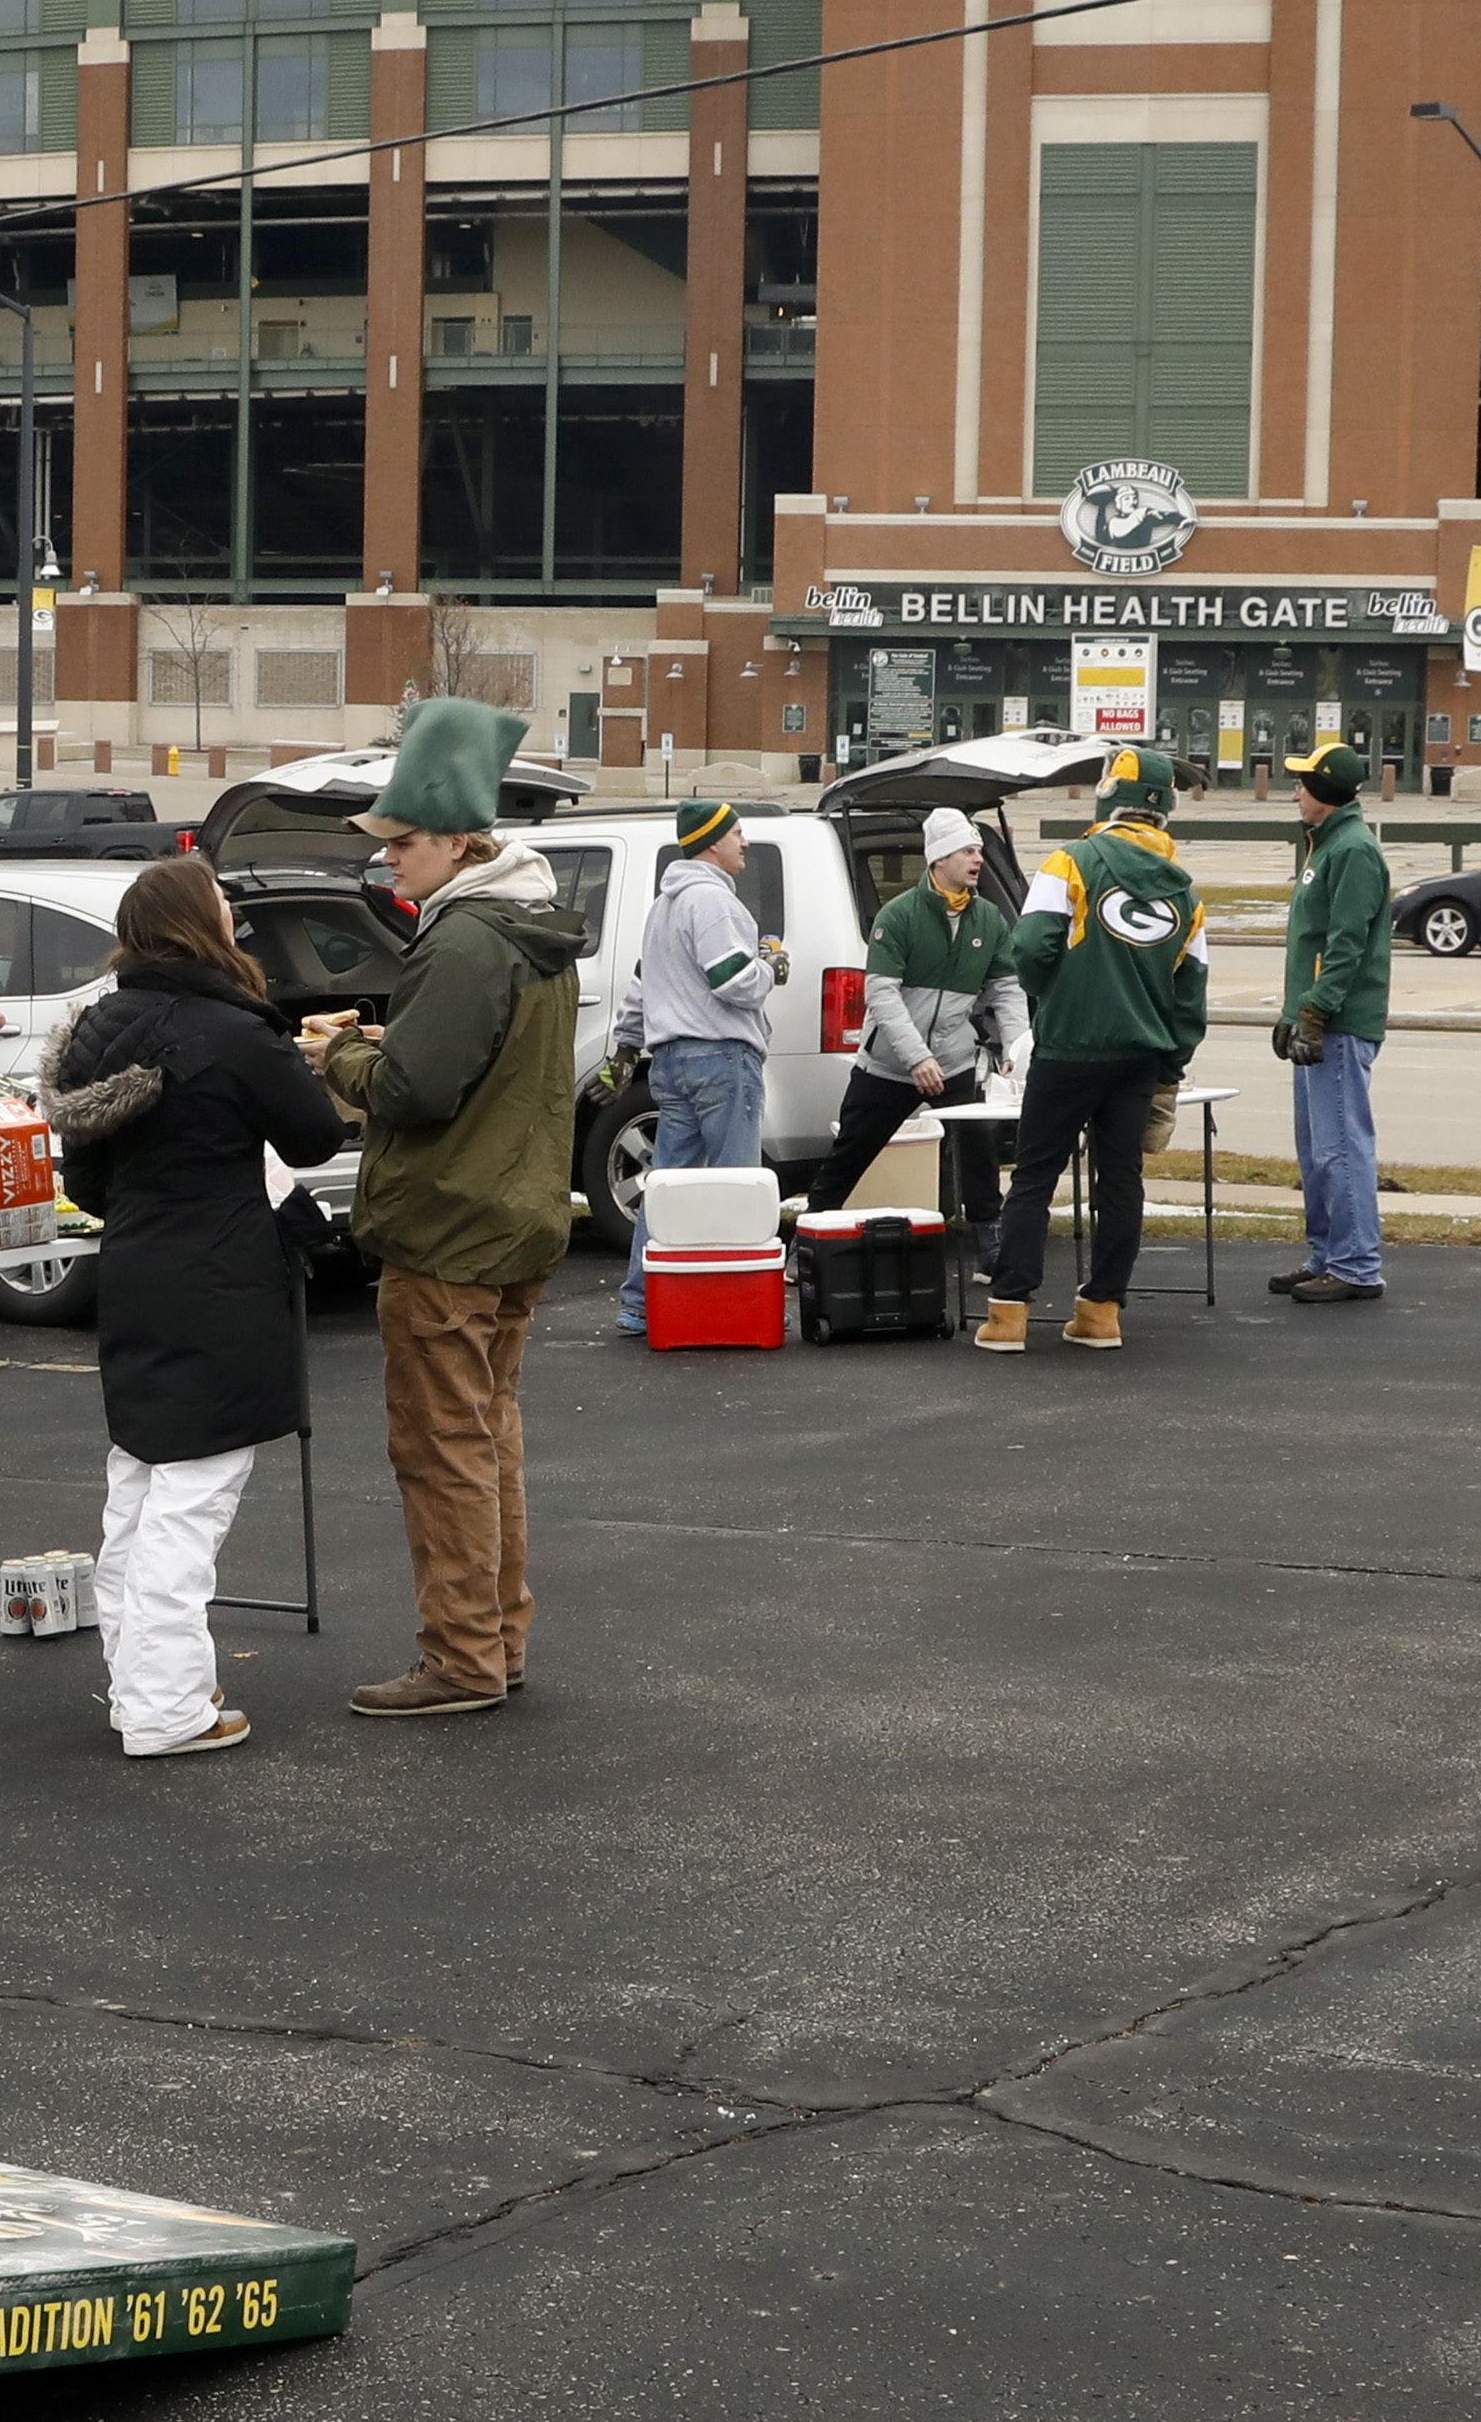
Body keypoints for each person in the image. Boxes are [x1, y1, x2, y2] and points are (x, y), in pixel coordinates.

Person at [311, 697, 575, 1721]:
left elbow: (417, 1090)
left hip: (450, 1229)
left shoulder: (466, 936)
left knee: (443, 1448)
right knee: (485, 1437)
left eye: (403, 842)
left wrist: (333, 1052)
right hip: (512, 1217)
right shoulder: (522, 922)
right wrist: (378, 1038)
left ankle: (462, 1656)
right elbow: (467, 1064)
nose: (388, 862)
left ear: (461, 839)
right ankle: (493, 1641)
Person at [47, 856, 345, 1760]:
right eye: (224, 908)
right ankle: (168, 1709)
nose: (236, 920)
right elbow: (317, 1133)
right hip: (221, 1280)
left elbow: (85, 1173)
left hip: (137, 1268)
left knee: (136, 1489)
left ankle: (139, 1683)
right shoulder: (232, 1028)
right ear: (196, 925)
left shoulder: (99, 1025)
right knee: (192, 1503)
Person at [974, 747, 1210, 1353]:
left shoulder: (1070, 861)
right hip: (1139, 1057)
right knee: (1120, 1181)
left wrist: (1053, 992)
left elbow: (1029, 947)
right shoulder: (1186, 892)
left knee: (1034, 1177)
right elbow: (1191, 993)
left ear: (1108, 797)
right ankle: (1102, 1311)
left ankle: (1009, 1314)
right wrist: (1171, 1065)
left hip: (1069, 1046)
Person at [612, 801, 777, 1342]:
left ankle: (639, 1303)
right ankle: (737, 1304)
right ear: (711, 841)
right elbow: (731, 979)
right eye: (737, 834)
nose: (745, 843)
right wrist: (771, 966)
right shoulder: (711, 900)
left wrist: (625, 1048)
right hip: (721, 1061)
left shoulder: (663, 907)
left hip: (670, 1064)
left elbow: (641, 989)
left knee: (666, 1192)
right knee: (737, 1189)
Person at [810, 820, 1017, 1237]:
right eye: (967, 851)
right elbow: (882, 995)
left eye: (978, 851)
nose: (978, 859)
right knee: (851, 1152)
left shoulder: (989, 919)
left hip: (956, 1061)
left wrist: (1017, 1047)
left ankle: (989, 1240)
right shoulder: (900, 914)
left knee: (979, 1147)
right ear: (939, 858)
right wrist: (917, 1056)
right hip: (888, 1064)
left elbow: (1006, 988)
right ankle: (810, 1236)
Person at [1268, 737, 1397, 1305]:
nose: (1295, 791)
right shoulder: (1325, 846)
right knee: (1315, 1148)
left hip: (1340, 1025)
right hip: (1317, 1020)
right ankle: (1326, 1254)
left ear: (1325, 791)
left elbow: (1345, 947)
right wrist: (1292, 1013)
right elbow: (1312, 945)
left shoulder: (1353, 852)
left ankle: (1356, 1265)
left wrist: (1316, 1012)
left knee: (1341, 1146)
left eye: (1302, 783)